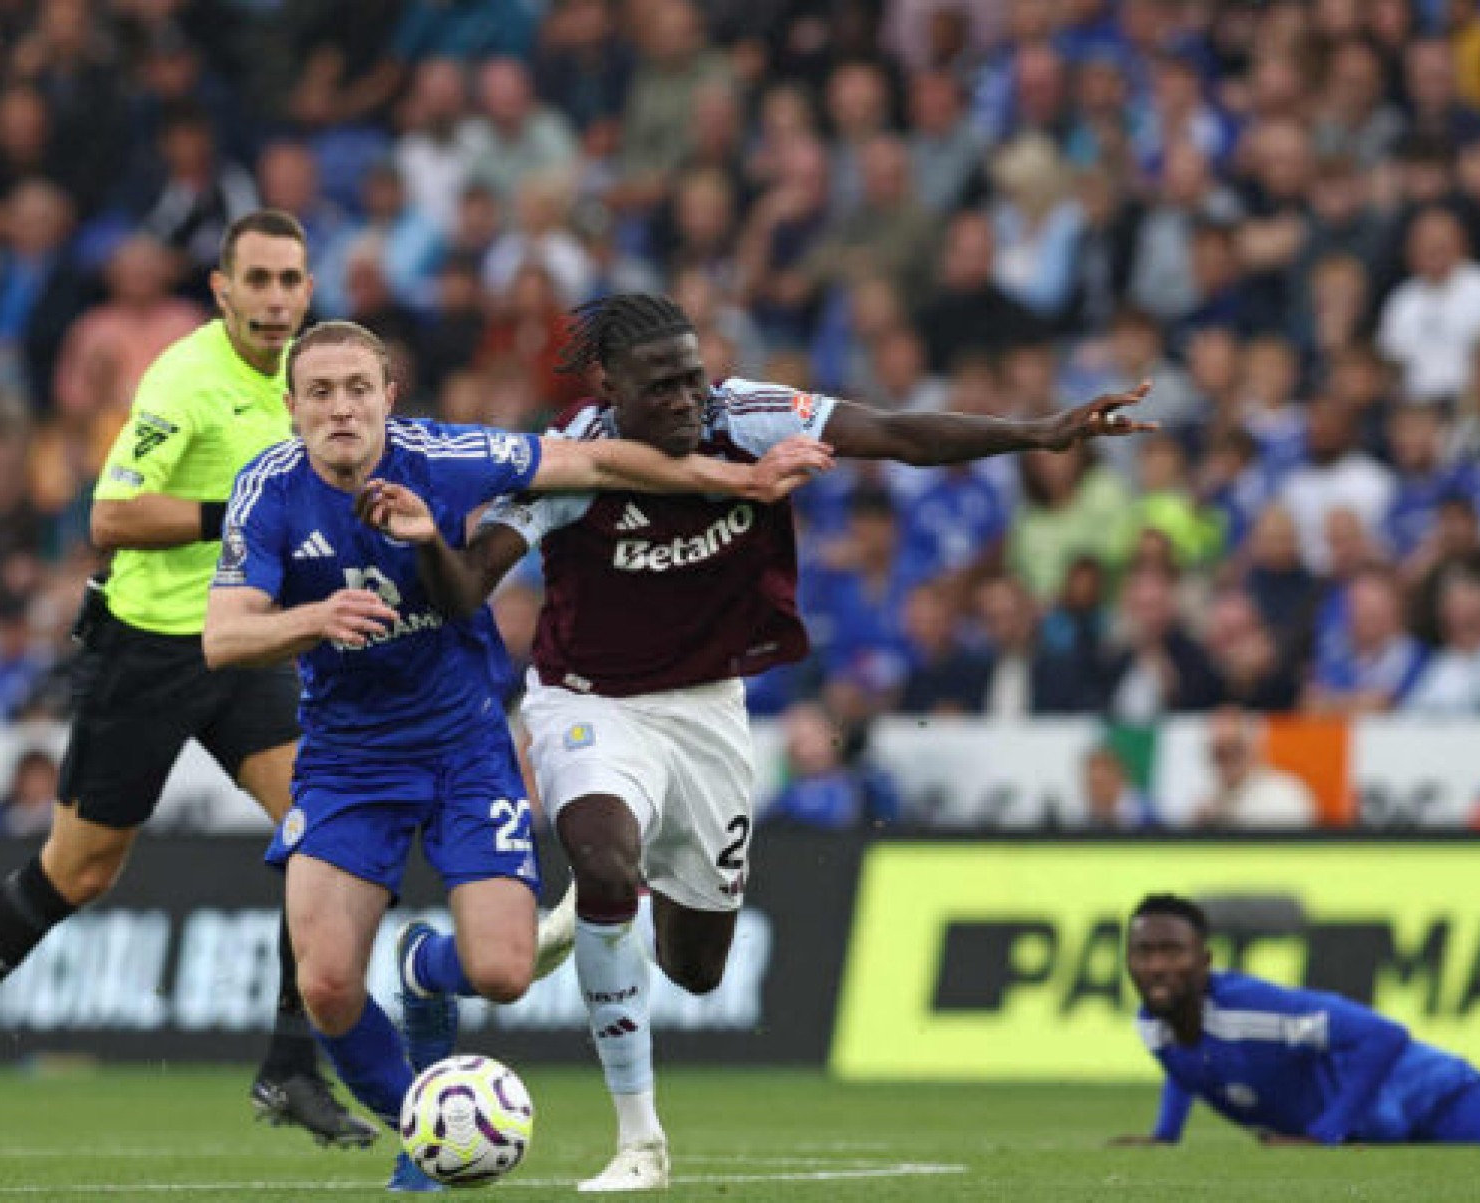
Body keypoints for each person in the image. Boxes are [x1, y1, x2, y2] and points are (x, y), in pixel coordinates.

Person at [426, 293, 1153, 1190]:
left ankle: (601, 899)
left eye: (694, 376)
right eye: (663, 387)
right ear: (610, 388)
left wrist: (1038, 434)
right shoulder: (568, 458)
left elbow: (897, 433)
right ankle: (639, 1139)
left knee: (695, 969)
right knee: (610, 865)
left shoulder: (748, 413)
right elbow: (471, 581)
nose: (691, 400)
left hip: (709, 710)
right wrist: (423, 540)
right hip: (591, 703)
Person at [201, 320, 827, 1191]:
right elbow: (222, 638)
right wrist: (315, 618)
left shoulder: (450, 454)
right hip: (347, 758)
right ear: (291, 406)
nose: (340, 407)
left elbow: (602, 462)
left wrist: (743, 478)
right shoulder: (266, 489)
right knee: (330, 987)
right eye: (320, 392)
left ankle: (426, 965)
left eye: (356, 388)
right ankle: (428, 1131)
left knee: (500, 973)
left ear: (388, 394)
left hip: (463, 745)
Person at [0, 210, 372, 1164]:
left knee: (330, 830)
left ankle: (290, 1062)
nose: (276, 299)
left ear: (309, 291)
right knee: (82, 869)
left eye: (291, 281)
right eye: (258, 281)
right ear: (222, 291)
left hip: (247, 645)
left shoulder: (314, 377)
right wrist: (239, 510)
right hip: (151, 646)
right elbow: (111, 515)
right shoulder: (185, 378)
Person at [1120, 894, 1480, 1145]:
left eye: (1172, 951)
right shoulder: (1152, 1025)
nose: (1157, 966)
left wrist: (1324, 1135)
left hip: (1420, 1093)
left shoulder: (1253, 1012)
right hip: (1376, 1131)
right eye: (1144, 952)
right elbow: (1187, 1063)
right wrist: (1165, 1136)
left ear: (1204, 961)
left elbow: (1383, 1037)